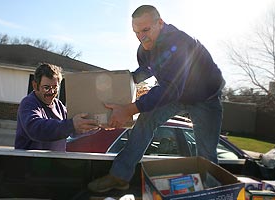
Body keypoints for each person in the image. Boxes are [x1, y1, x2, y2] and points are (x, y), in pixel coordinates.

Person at [88, 5, 225, 193]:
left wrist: (129, 109)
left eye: (145, 30)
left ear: (160, 23)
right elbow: (145, 70)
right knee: (145, 121)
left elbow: (171, 89)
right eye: (136, 32)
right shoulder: (144, 50)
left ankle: (210, 192)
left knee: (206, 150)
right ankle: (119, 176)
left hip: (205, 97)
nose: (141, 37)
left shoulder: (180, 43)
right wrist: (121, 84)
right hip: (176, 93)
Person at [15, 63, 99, 151]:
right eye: (46, 88)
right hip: (30, 162)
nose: (51, 92)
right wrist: (72, 124)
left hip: (55, 162)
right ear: (35, 86)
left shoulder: (59, 106)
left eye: (55, 87)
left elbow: (74, 130)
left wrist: (98, 124)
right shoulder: (29, 103)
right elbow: (36, 129)